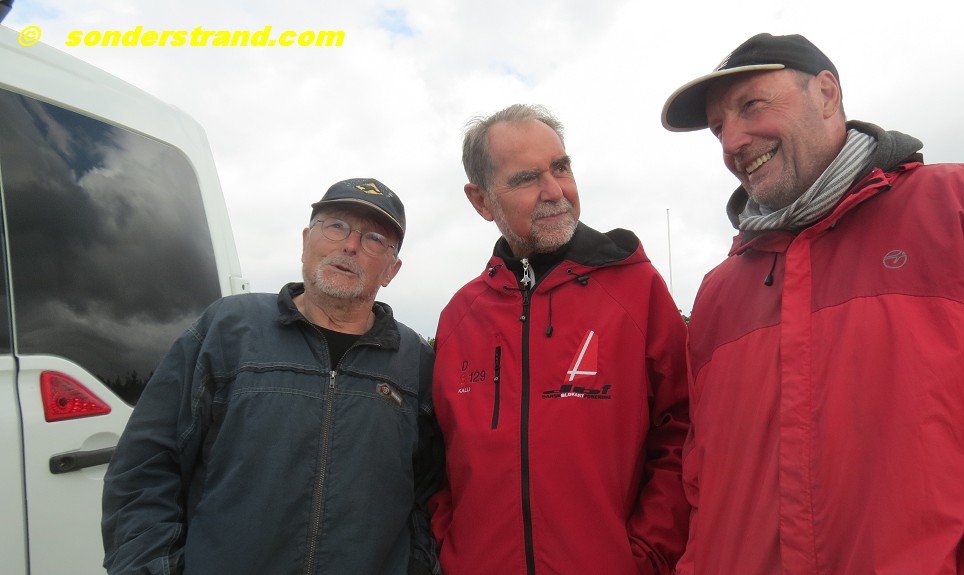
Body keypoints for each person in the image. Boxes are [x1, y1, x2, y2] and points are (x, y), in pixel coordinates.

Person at [661, 33, 964, 574]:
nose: (732, 141)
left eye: (751, 105)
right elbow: (702, 488)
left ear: (827, 94)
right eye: (718, 128)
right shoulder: (717, 296)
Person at [101, 178, 442, 575]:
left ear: (391, 270)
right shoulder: (227, 329)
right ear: (306, 241)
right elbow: (144, 468)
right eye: (336, 226)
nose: (350, 245)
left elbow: (430, 494)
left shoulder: (415, 362)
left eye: (374, 239)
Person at [430, 104, 690, 575]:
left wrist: (643, 556)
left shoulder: (638, 291)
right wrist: (455, 552)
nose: (555, 192)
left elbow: (682, 433)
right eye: (527, 178)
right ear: (481, 201)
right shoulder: (458, 318)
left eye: (561, 168)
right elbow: (436, 463)